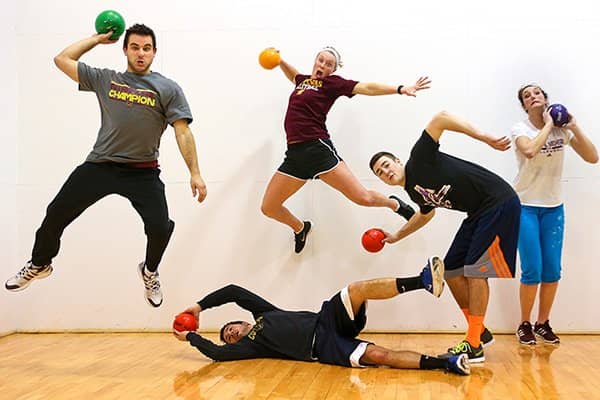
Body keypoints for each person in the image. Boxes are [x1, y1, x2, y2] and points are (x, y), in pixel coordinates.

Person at [4, 24, 207, 308]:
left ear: (154, 53)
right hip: (100, 165)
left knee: (160, 226)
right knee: (56, 213)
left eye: (146, 48)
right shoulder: (106, 80)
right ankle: (40, 264)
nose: (140, 53)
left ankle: (149, 271)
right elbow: (62, 60)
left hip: (143, 171)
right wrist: (97, 39)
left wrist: (195, 172)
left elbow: (182, 131)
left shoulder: (167, 88)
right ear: (125, 49)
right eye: (134, 47)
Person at [369, 111, 520, 363]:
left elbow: (440, 118)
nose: (385, 171)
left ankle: (473, 344)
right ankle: (479, 333)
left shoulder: (419, 159)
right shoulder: (415, 192)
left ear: (397, 160)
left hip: (498, 201)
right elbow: (425, 214)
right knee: (450, 270)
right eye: (379, 173)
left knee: (475, 271)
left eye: (386, 164)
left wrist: (486, 138)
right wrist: (396, 236)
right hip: (477, 212)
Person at [172, 257, 470, 375]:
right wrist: (192, 337)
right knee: (379, 356)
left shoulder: (264, 313)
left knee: (356, 289)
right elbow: (217, 355)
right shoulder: (251, 345)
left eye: (231, 328)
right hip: (324, 350)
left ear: (242, 321)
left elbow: (234, 291)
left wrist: (199, 307)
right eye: (228, 337)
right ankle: (446, 363)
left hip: (326, 321)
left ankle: (423, 282)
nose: (232, 334)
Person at [261, 46, 429, 253]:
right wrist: (279, 61)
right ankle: (300, 227)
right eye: (320, 60)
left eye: (328, 64)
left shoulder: (333, 84)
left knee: (363, 198)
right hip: (295, 155)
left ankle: (394, 204)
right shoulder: (303, 81)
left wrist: (400, 88)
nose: (322, 65)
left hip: (317, 149)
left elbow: (367, 87)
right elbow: (294, 75)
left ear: (333, 69)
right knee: (269, 207)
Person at [511, 84, 598, 345]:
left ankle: (542, 323)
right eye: (527, 96)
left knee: (552, 270)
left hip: (553, 208)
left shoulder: (562, 130)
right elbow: (529, 150)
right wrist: (548, 124)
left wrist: (573, 126)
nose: (533, 97)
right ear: (525, 106)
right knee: (532, 270)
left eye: (537, 93)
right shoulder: (520, 129)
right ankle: (524, 324)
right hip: (524, 206)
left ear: (545, 98)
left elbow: (593, 157)